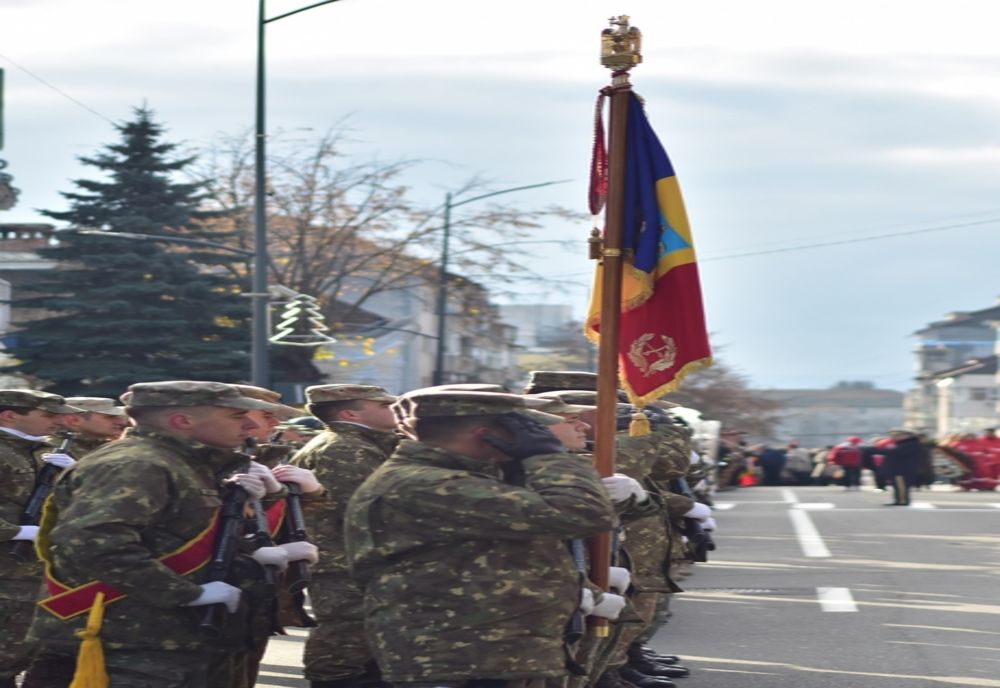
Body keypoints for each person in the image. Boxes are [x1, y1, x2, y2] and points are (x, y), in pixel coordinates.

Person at [26, 380, 302, 688]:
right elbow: (93, 543)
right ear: (182, 421)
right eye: (236, 416)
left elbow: (180, 535)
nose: (250, 423)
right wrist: (186, 592)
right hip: (131, 642)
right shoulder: (137, 464)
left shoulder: (185, 463)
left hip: (172, 637)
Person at [345, 389, 616, 688]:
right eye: (519, 426)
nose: (533, 433)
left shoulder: (458, 476)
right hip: (458, 656)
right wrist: (547, 456)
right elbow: (582, 513)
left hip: (491, 649)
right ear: (485, 434)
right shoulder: (425, 483)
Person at [289, 384, 400, 688]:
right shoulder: (346, 449)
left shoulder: (362, 444)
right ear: (349, 413)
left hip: (352, 561)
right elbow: (366, 510)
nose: (395, 406)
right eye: (383, 404)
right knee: (345, 647)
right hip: (344, 564)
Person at [0, 390, 84, 688]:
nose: (59, 421)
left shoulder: (40, 452)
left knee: (17, 660)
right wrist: (16, 531)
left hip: (31, 575)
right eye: (48, 415)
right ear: (9, 415)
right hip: (6, 574)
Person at [61, 396, 131, 456]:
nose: (121, 422)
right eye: (110, 417)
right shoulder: (58, 451)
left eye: (119, 417)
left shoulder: (108, 445)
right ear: (74, 420)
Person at [882, 429, 922, 506]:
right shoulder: (901, 444)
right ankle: (898, 499)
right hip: (898, 468)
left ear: (907, 435)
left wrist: (886, 450)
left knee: (902, 485)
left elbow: (897, 452)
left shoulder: (911, 444)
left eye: (898, 435)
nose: (895, 437)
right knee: (897, 485)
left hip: (903, 469)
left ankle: (902, 500)